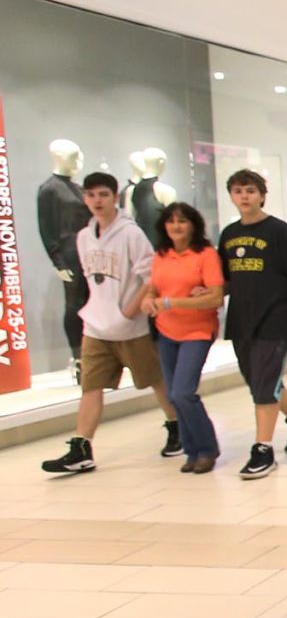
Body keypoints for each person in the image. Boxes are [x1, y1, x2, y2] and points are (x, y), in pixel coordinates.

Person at [41, 173, 180, 474]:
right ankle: (81, 446)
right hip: (95, 326)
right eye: (90, 195)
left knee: (155, 380)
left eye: (103, 195)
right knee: (91, 388)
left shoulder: (131, 234)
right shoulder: (83, 237)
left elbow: (150, 275)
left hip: (131, 328)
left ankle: (176, 426)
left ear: (114, 197)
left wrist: (130, 311)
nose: (96, 201)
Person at [220, 168, 287, 480]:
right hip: (241, 322)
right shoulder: (229, 235)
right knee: (261, 381)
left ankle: (263, 449)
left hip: (276, 321)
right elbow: (225, 280)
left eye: (250, 190)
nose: (244, 196)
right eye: (238, 191)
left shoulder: (279, 232)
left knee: (265, 384)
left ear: (262, 195)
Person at [137, 203, 225, 474]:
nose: (176, 226)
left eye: (182, 221)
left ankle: (208, 449)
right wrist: (149, 301)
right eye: (171, 221)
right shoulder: (161, 255)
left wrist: (171, 302)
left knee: (183, 392)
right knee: (174, 397)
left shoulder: (206, 254)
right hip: (166, 332)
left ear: (193, 225)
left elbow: (215, 297)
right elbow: (152, 288)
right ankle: (191, 451)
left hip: (197, 331)